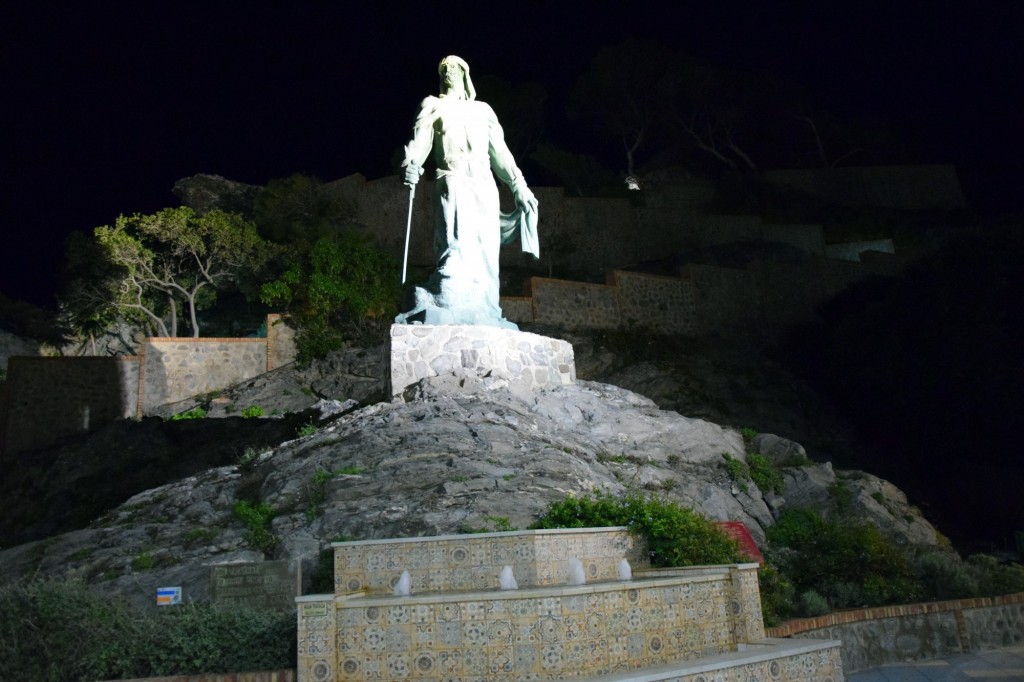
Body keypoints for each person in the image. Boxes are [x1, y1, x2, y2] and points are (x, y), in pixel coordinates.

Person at [395, 55, 539, 328]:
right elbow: (418, 146)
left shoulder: (483, 110)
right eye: (443, 68)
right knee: (456, 247)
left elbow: (501, 154)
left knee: (486, 253)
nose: (448, 71)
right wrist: (409, 166)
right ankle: (448, 300)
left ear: (464, 73)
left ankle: (485, 311)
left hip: (484, 182)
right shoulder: (433, 105)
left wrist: (519, 185)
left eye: (453, 67)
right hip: (453, 177)